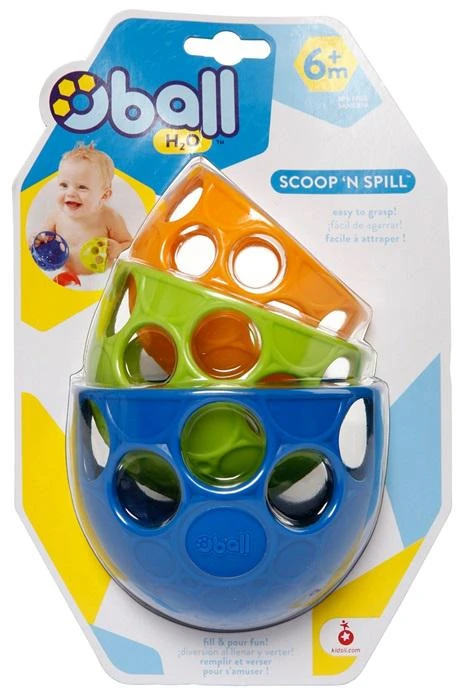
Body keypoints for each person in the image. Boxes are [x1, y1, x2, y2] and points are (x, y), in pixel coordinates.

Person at [41, 143, 132, 284]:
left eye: (82, 187)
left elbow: (130, 244)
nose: (70, 193)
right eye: (64, 185)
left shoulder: (110, 218)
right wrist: (37, 240)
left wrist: (119, 248)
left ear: (104, 196)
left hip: (100, 281)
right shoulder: (56, 216)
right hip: (64, 276)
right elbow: (40, 239)